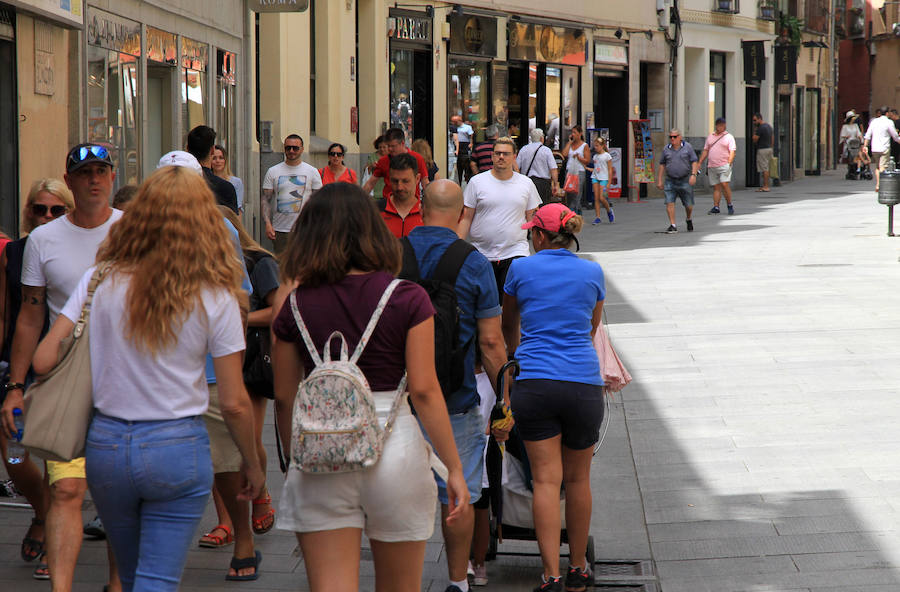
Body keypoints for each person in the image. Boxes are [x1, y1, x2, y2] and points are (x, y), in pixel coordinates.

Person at [19, 165, 265, 592]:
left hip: (108, 445)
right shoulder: (216, 293)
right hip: (176, 445)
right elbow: (234, 402)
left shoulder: (102, 278)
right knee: (155, 579)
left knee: (129, 577)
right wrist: (252, 463)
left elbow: (42, 360)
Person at [270, 182, 469, 592]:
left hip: (320, 450)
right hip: (394, 445)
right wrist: (454, 468)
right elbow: (426, 391)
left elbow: (286, 396)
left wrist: (295, 458)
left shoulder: (294, 304)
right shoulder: (407, 298)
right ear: (372, 230)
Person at [1, 144, 124, 590]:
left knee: (114, 495)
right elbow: (30, 315)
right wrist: (16, 386)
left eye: (101, 171)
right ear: (70, 181)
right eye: (84, 172)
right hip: (64, 378)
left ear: (112, 177)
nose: (94, 179)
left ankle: (116, 582)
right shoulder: (42, 241)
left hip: (122, 381)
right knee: (67, 489)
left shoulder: (130, 232)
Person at [403, 180, 510, 592]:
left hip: (400, 400)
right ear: (463, 212)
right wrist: (504, 398)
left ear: (420, 205)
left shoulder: (393, 253)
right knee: (458, 491)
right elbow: (490, 342)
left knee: (399, 491)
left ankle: (401, 577)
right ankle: (457, 581)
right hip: (457, 400)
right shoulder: (474, 262)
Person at [502, 202, 605, 592]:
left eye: (532, 232)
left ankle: (551, 575)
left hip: (536, 382)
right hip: (583, 383)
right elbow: (591, 327)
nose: (530, 237)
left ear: (541, 236)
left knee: (546, 481)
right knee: (578, 480)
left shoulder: (520, 269)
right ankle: (578, 567)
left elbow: (509, 324)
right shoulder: (592, 270)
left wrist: (515, 360)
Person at [196, 206, 279, 581]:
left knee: (241, 446)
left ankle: (255, 496)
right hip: (222, 360)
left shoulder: (259, 262)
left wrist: (239, 321)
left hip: (247, 363)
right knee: (228, 451)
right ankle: (229, 520)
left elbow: (275, 310)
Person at [0, 179, 73, 575]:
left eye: (56, 210)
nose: (46, 217)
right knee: (13, 448)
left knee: (55, 450)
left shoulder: (73, 246)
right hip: (19, 360)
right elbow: (7, 312)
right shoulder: (14, 251)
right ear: (28, 212)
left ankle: (54, 523)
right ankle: (42, 507)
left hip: (63, 360)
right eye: (39, 209)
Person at [458, 136, 541, 302]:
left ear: (514, 156)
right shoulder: (477, 182)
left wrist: (542, 253)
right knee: (485, 305)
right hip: (481, 253)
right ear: (492, 156)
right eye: (497, 153)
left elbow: (533, 219)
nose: (501, 157)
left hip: (515, 252)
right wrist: (455, 247)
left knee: (511, 304)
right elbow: (466, 218)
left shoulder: (526, 183)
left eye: (506, 153)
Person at [262, 134, 323, 253]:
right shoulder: (273, 171)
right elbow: (265, 200)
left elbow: (319, 201)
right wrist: (268, 223)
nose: (291, 151)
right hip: (280, 230)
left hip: (305, 229)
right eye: (288, 148)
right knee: (282, 265)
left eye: (295, 148)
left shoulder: (312, 171)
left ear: (302, 149)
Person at [362, 127, 430, 199]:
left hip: (411, 204)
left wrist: (429, 201)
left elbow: (425, 182)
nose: (390, 149)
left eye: (393, 146)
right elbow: (371, 183)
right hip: (388, 203)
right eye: (388, 146)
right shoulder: (383, 161)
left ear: (402, 143)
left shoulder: (417, 158)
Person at [186, 125, 239, 214]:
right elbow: (233, 223)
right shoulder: (226, 188)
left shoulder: (178, 185)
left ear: (187, 149)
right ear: (212, 150)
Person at [656, 129, 700, 234]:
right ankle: (673, 225)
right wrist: (659, 180)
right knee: (669, 202)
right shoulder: (666, 149)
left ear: (680, 137)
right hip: (670, 180)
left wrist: (693, 175)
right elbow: (662, 164)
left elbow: (694, 161)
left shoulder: (687, 147)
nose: (672, 139)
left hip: (685, 179)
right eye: (670, 137)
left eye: (675, 137)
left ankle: (688, 218)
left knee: (688, 204)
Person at [377, 153, 424, 238]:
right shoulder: (375, 211)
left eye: (405, 181)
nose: (399, 187)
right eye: (395, 181)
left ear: (417, 179)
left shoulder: (428, 213)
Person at [698, 117, 737, 215]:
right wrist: (700, 162)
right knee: (716, 187)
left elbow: (732, 151)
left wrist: (729, 163)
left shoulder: (729, 137)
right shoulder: (710, 137)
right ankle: (716, 206)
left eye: (723, 125)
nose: (721, 127)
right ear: (716, 125)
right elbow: (706, 150)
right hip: (712, 165)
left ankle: (729, 204)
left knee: (724, 184)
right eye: (719, 125)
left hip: (724, 165)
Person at [516, 128, 559, 204]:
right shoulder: (546, 150)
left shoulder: (523, 149)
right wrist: (555, 184)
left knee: (528, 206)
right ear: (541, 138)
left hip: (527, 182)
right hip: (543, 184)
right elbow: (553, 169)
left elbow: (516, 167)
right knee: (543, 207)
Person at [863, 105, 900, 191]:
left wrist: (865, 146)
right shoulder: (889, 122)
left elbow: (868, 135)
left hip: (875, 147)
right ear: (887, 113)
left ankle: (878, 184)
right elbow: (894, 136)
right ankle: (879, 185)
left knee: (877, 167)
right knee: (883, 166)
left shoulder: (874, 122)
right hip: (884, 147)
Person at [560, 125, 590, 214]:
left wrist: (579, 158)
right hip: (569, 171)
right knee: (569, 192)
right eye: (571, 132)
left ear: (580, 134)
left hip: (579, 171)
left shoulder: (584, 145)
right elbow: (564, 154)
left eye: (574, 133)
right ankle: (576, 212)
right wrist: (569, 142)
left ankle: (573, 213)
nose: (572, 134)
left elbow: (587, 160)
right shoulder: (570, 144)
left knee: (576, 193)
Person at [588, 137, 615, 225]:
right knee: (596, 198)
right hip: (595, 177)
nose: (595, 147)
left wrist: (609, 183)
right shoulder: (595, 156)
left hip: (604, 178)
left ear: (602, 146)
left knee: (601, 197)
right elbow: (596, 168)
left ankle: (609, 210)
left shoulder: (607, 156)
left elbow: (610, 169)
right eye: (594, 146)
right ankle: (598, 217)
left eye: (597, 146)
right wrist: (588, 168)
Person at [212, 144, 245, 211]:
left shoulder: (236, 182)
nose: (217, 161)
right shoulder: (205, 180)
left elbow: (238, 209)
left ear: (225, 160)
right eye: (214, 158)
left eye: (221, 158)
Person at [751, 113, 774, 192]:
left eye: (755, 120)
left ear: (760, 119)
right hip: (769, 148)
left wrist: (754, 132)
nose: (754, 122)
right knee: (766, 166)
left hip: (762, 149)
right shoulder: (769, 126)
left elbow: (755, 139)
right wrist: (771, 147)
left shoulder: (760, 128)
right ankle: (765, 185)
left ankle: (766, 186)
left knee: (764, 168)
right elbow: (772, 138)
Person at [840, 111, 864, 180]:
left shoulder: (855, 126)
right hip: (849, 142)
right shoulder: (845, 127)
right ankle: (851, 168)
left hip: (856, 142)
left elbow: (858, 133)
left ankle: (858, 167)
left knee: (857, 154)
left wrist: (860, 138)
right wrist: (846, 136)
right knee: (851, 155)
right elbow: (842, 135)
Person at [454, 116, 475, 183]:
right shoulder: (455, 128)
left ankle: (467, 177)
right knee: (459, 166)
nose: (454, 123)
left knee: (466, 164)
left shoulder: (467, 127)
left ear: (460, 121)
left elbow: (471, 135)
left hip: (465, 145)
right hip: (458, 145)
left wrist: (471, 143)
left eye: (456, 121)